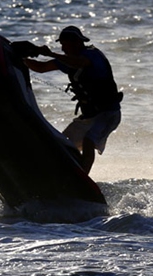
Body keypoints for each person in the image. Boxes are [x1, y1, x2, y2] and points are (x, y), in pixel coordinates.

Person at [24, 26, 122, 174]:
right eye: (61, 45)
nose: (63, 48)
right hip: (88, 117)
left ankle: (83, 177)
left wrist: (51, 53)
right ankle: (62, 173)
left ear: (77, 42)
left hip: (108, 114)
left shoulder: (92, 55)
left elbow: (80, 63)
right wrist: (22, 59)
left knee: (89, 141)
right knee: (64, 145)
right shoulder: (67, 60)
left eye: (65, 44)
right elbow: (41, 67)